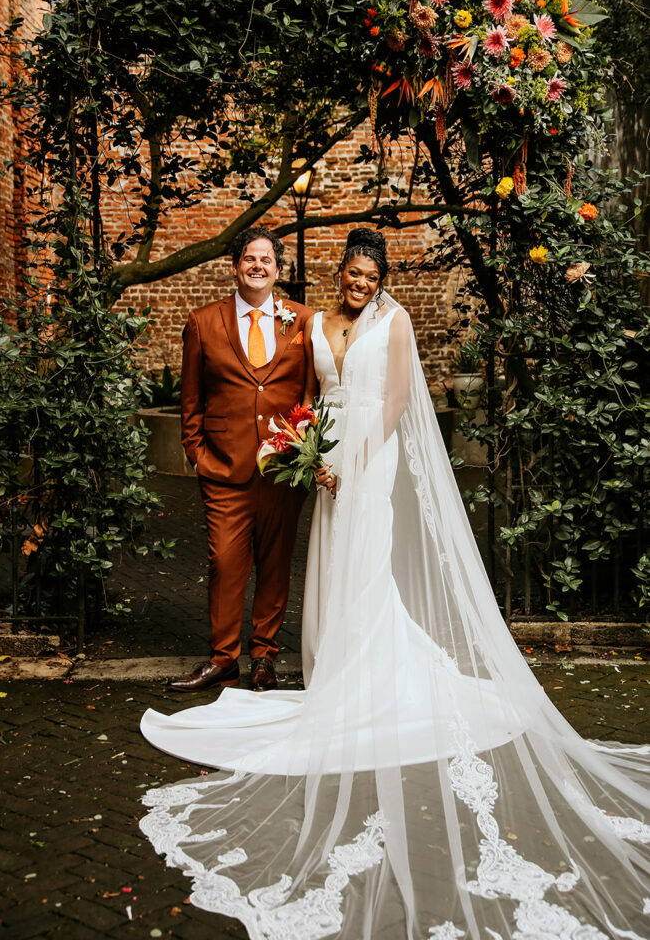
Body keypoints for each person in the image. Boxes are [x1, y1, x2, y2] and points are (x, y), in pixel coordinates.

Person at [141, 228, 649, 940]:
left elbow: (397, 401)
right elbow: (309, 391)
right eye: (350, 272)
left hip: (369, 460)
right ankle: (325, 669)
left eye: (369, 273)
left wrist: (358, 458)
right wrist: (310, 449)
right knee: (328, 562)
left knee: (366, 560)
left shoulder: (396, 320)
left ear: (380, 276)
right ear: (338, 273)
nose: (359, 281)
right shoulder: (312, 321)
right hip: (324, 459)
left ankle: (370, 673)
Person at [172, 226, 312, 693]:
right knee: (225, 562)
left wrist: (305, 449)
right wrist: (197, 455)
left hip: (283, 470)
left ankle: (264, 657)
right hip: (224, 470)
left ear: (278, 268)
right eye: (249, 259)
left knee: (275, 564)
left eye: (266, 259)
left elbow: (312, 392)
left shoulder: (302, 320)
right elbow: (190, 401)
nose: (257, 266)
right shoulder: (202, 322)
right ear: (235, 266)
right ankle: (222, 658)